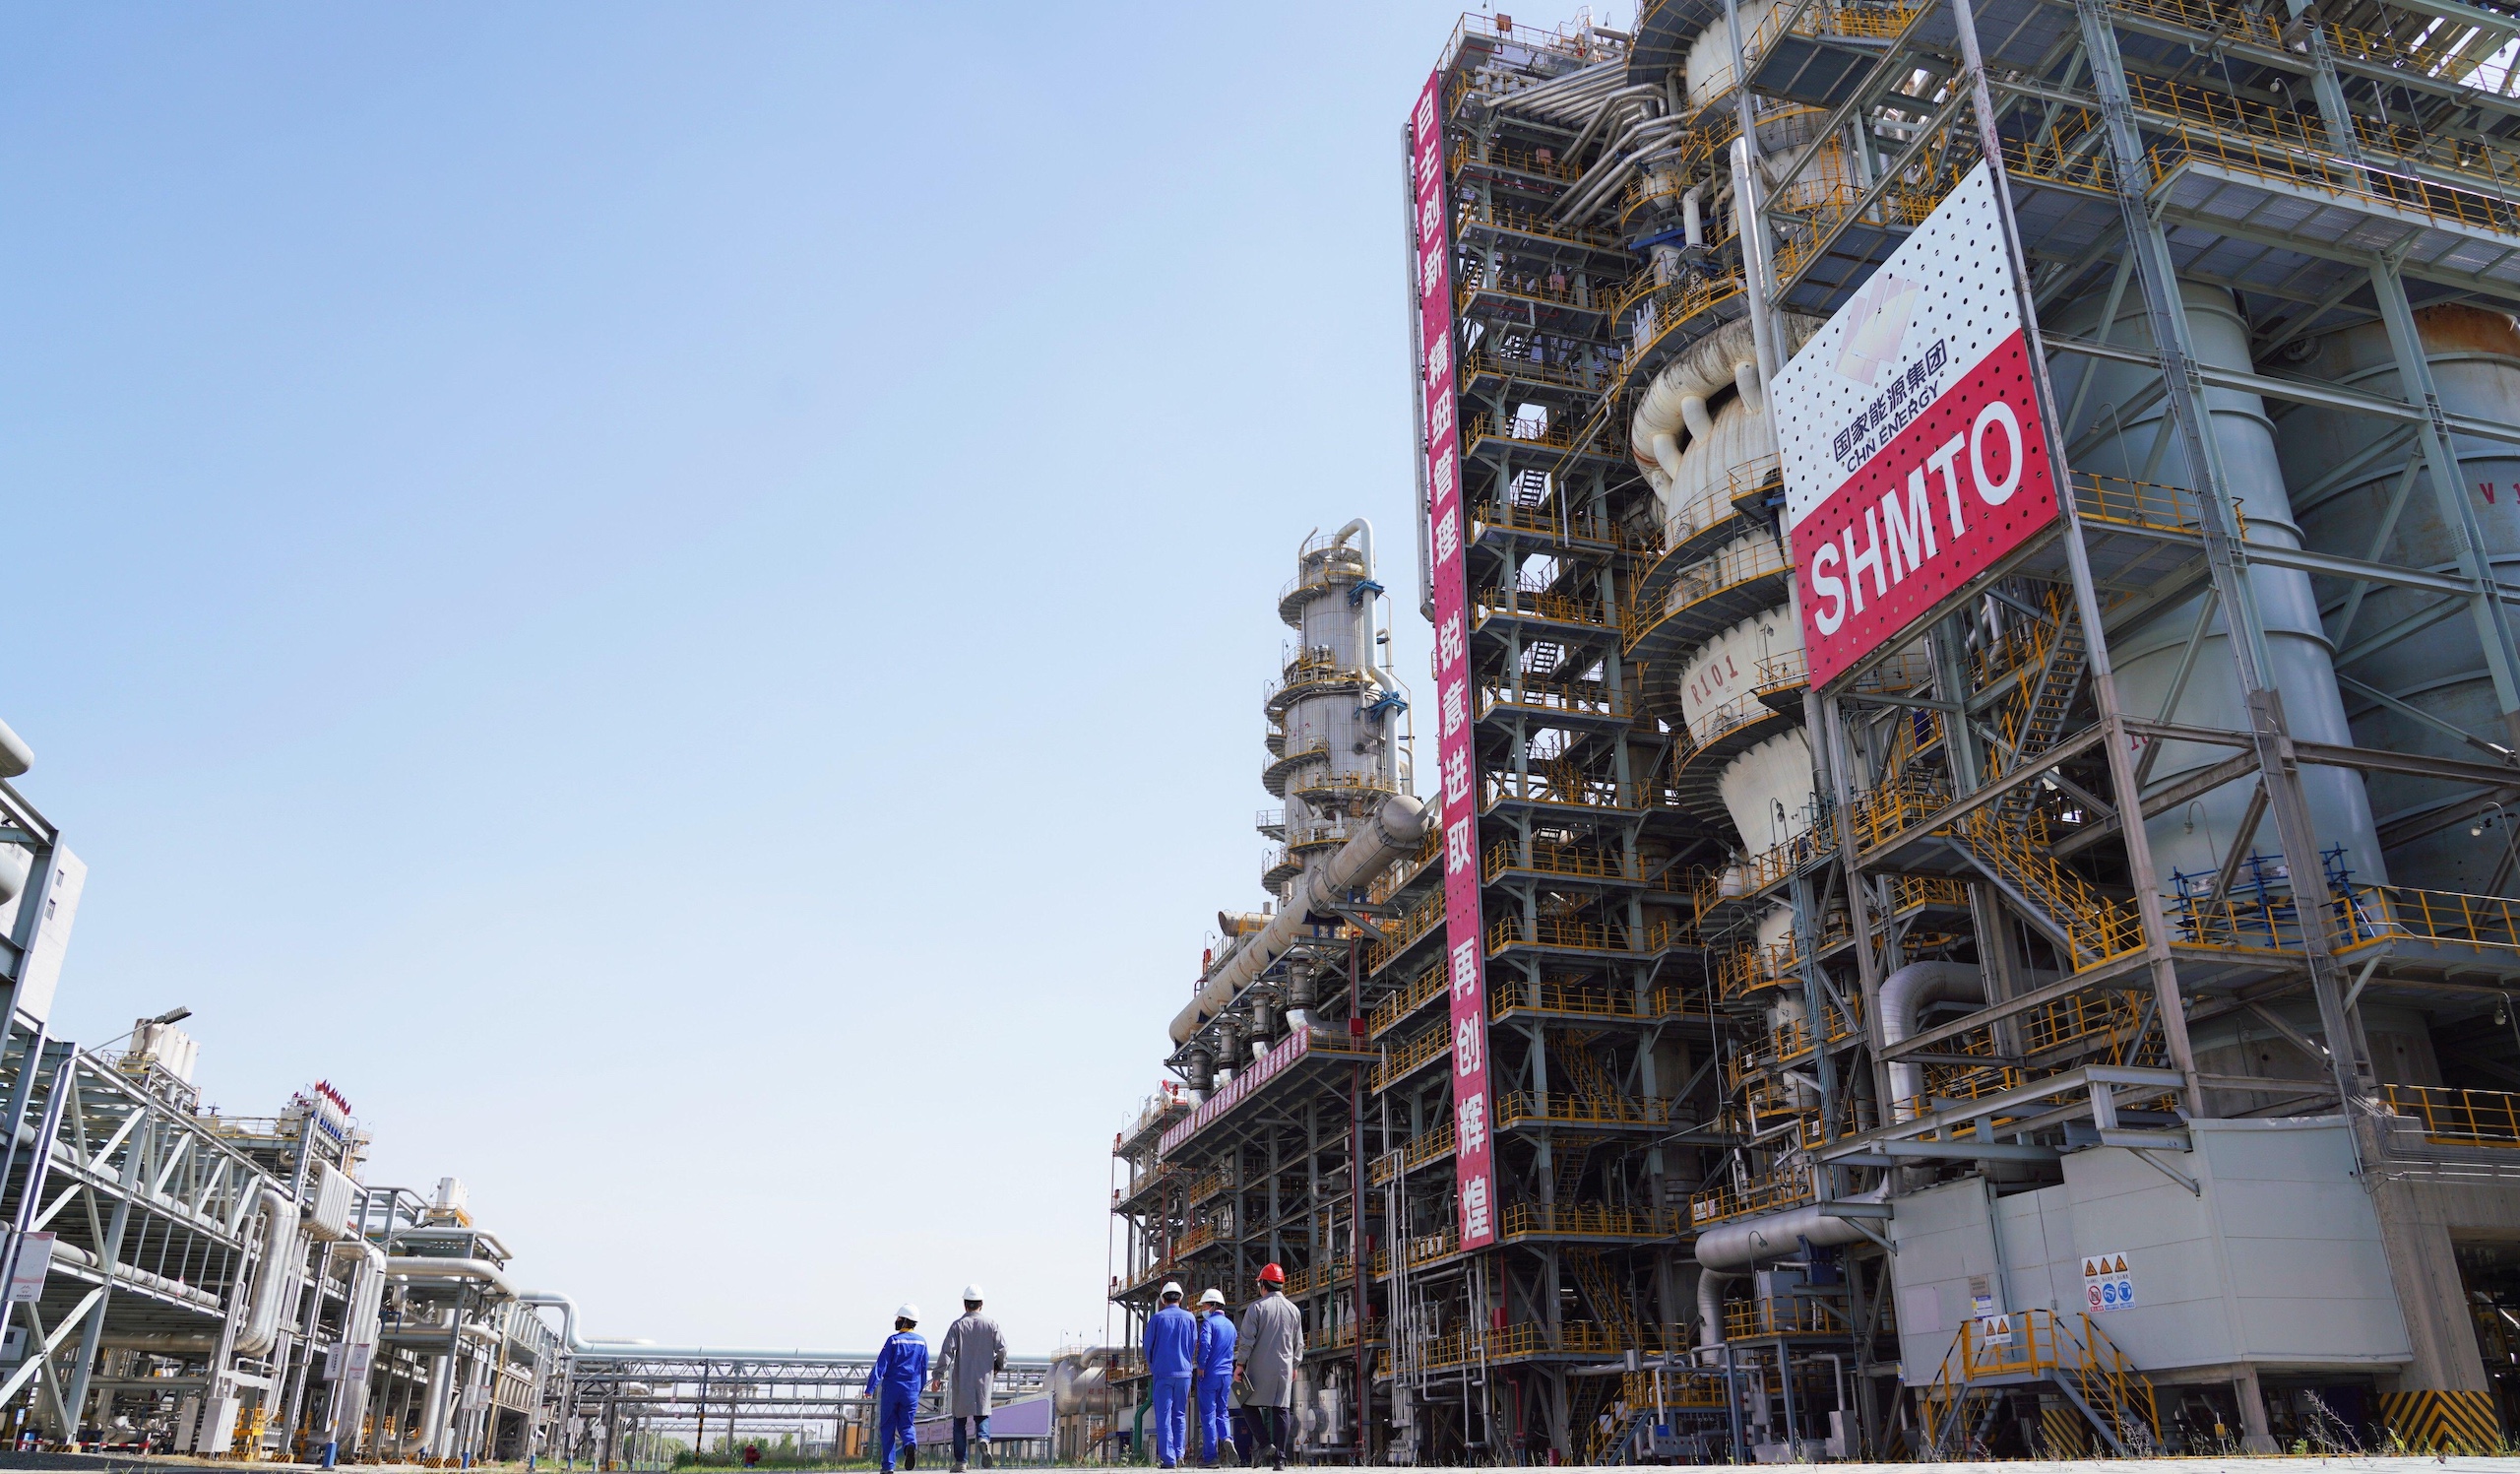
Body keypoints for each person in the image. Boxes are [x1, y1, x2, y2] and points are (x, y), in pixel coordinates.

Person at [1234, 1264, 1303, 1471]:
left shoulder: (1256, 1308)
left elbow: (1247, 1341)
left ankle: (1265, 1444)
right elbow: (1298, 1343)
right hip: (1284, 1368)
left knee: (1246, 1402)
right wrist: (1295, 1365)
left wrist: (1240, 1365)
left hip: (1259, 1368)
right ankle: (1280, 1460)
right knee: (1281, 1410)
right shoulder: (1294, 1310)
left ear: (1263, 1284)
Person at [935, 1283, 1007, 1473]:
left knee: (959, 1421)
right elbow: (1003, 1349)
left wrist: (937, 1374)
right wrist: (997, 1365)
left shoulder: (957, 1326)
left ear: (965, 1304)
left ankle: (961, 1463)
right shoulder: (991, 1325)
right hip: (984, 1380)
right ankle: (983, 1439)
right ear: (981, 1304)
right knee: (982, 1414)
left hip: (962, 1380)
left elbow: (947, 1352)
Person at [867, 1303, 931, 1473]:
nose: (896, 1321)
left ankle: (888, 1466)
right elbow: (924, 1369)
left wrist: (870, 1387)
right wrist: (919, 1390)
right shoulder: (922, 1343)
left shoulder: (893, 1341)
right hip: (911, 1390)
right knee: (907, 1424)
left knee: (888, 1426)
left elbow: (881, 1365)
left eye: (898, 1318)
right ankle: (910, 1444)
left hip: (892, 1389)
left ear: (904, 1321)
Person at [1143, 1281, 1199, 1470]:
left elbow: (1148, 1347)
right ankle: (1180, 1453)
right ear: (1180, 1298)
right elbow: (1192, 1344)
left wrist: (1154, 1367)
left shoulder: (1157, 1319)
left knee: (1164, 1416)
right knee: (1180, 1415)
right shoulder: (1190, 1318)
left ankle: (1169, 1459)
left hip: (1163, 1372)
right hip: (1184, 1372)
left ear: (1162, 1299)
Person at [1191, 1289, 1237, 1469]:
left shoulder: (1209, 1324)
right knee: (1222, 1411)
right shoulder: (1231, 1326)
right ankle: (1226, 1437)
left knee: (1208, 1415)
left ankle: (1211, 1457)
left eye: (1203, 1305)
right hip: (1226, 1375)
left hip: (1209, 1374)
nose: (1202, 1308)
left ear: (1212, 1305)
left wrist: (1201, 1366)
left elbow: (1205, 1345)